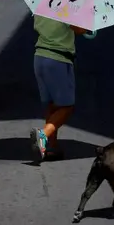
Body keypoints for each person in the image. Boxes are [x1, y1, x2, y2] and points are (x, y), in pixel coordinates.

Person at [30, 15, 88, 163]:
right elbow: (79, 28)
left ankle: (51, 147)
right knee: (66, 106)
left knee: (52, 105)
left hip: (40, 57)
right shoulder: (64, 4)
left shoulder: (41, 5)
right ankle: (43, 135)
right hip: (58, 60)